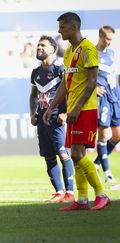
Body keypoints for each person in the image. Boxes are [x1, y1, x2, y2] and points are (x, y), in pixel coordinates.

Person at [43, 12, 110, 210]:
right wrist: (52, 107)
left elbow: (91, 82)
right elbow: (65, 83)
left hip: (85, 109)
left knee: (79, 154)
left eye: (62, 27)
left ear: (73, 28)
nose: (59, 31)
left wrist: (78, 107)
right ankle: (82, 199)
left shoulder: (88, 49)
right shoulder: (69, 52)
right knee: (75, 154)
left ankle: (101, 194)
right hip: (73, 109)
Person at [29, 35, 75, 203]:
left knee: (63, 154)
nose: (39, 47)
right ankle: (59, 192)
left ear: (52, 49)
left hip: (57, 119)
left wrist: (66, 113)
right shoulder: (35, 72)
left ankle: (70, 192)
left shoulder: (60, 68)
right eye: (38, 45)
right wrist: (32, 113)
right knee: (48, 156)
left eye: (43, 45)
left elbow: (70, 91)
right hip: (42, 119)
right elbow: (33, 95)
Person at [93, 26, 119, 183]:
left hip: (115, 96)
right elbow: (85, 74)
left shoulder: (112, 53)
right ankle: (107, 172)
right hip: (102, 98)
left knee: (118, 136)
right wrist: (94, 87)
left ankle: (96, 163)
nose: (109, 42)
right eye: (107, 39)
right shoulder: (92, 54)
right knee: (103, 135)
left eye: (111, 39)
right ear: (101, 37)